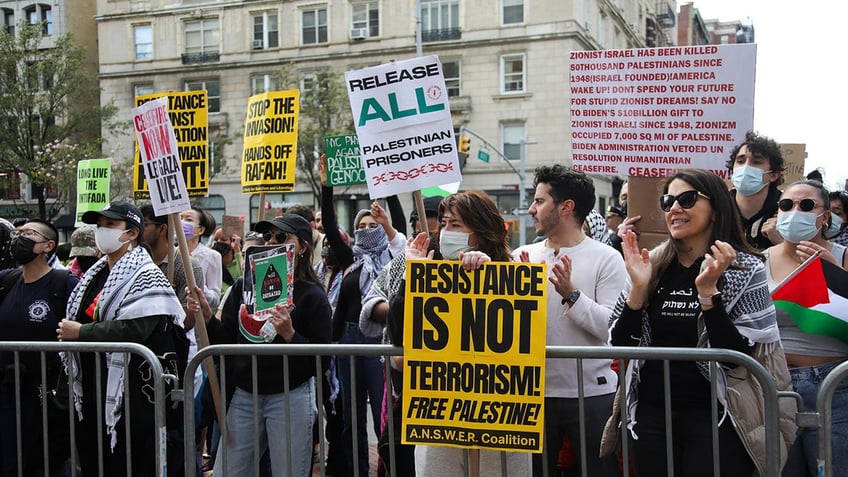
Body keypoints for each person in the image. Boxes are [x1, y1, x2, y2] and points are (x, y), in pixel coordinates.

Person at [609, 169, 782, 476]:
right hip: (651, 416)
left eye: (687, 199)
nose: (674, 208)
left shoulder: (746, 268)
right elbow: (620, 344)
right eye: (668, 201)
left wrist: (708, 296)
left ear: (715, 206)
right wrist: (637, 290)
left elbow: (737, 358)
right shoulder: (650, 264)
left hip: (717, 417)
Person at [393, 190, 529, 476]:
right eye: (443, 224)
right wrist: (413, 276)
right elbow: (398, 336)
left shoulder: (513, 272)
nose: (445, 232)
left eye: (455, 225)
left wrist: (490, 278)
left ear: (481, 231)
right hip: (440, 413)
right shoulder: (429, 272)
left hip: (498, 417)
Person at [57, 200, 188, 477]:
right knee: (95, 455)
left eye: (110, 225)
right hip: (94, 381)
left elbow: (135, 329)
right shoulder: (96, 272)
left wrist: (81, 333)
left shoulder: (147, 275)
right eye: (99, 225)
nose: (101, 231)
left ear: (131, 233)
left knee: (127, 459)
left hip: (131, 392)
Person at [511, 165, 625, 477]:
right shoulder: (522, 255)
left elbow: (611, 329)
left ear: (566, 207)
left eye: (539, 201)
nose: (532, 209)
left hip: (592, 395)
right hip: (531, 396)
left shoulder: (607, 258)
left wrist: (571, 294)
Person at [203, 213, 331, 477]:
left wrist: (290, 334)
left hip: (290, 397)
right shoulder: (242, 287)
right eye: (268, 236)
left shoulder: (313, 296)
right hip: (244, 396)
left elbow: (321, 360)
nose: (272, 241)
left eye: (282, 237)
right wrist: (206, 318)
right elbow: (226, 341)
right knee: (230, 470)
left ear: (303, 247)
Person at [319, 155, 405, 477]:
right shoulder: (349, 259)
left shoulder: (396, 257)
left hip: (380, 343)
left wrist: (391, 185)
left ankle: (385, 469)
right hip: (348, 341)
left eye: (374, 225)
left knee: (383, 417)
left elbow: (399, 224)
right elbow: (329, 224)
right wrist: (328, 186)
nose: (368, 230)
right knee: (350, 418)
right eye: (362, 226)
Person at [763, 180, 848, 476]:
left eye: (807, 205)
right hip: (774, 385)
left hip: (833, 388)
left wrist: (835, 274)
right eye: (787, 205)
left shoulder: (842, 258)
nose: (795, 211)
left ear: (825, 218)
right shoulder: (759, 261)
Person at [0, 219, 78, 476]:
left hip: (46, 396)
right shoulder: (7, 282)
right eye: (18, 233)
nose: (19, 238)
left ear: (48, 246)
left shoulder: (63, 283)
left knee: (46, 463)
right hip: (8, 394)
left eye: (28, 234)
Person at [726, 131, 786, 249]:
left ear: (773, 175)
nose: (746, 167)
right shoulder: (716, 208)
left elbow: (814, 266)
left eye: (756, 162)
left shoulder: (790, 210)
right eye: (741, 161)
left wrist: (783, 244)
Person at [179, 206, 222, 309]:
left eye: (188, 219)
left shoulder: (212, 256)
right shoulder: (170, 254)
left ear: (201, 230)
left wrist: (199, 289)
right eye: (180, 218)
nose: (182, 222)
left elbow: (215, 300)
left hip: (198, 319)